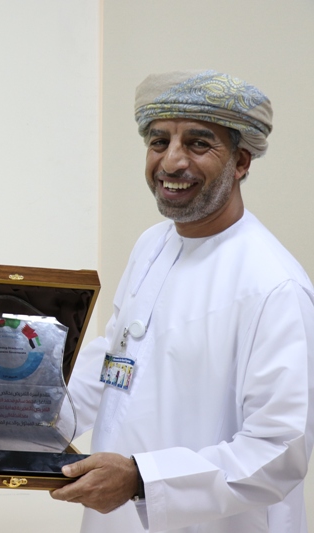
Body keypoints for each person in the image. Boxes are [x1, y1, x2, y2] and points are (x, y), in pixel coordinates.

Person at [51, 70, 314, 532]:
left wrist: (142, 479)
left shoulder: (274, 286)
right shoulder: (152, 246)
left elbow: (278, 451)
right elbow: (115, 361)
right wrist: (22, 421)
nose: (171, 162)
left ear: (241, 161)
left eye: (198, 144)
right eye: (159, 142)